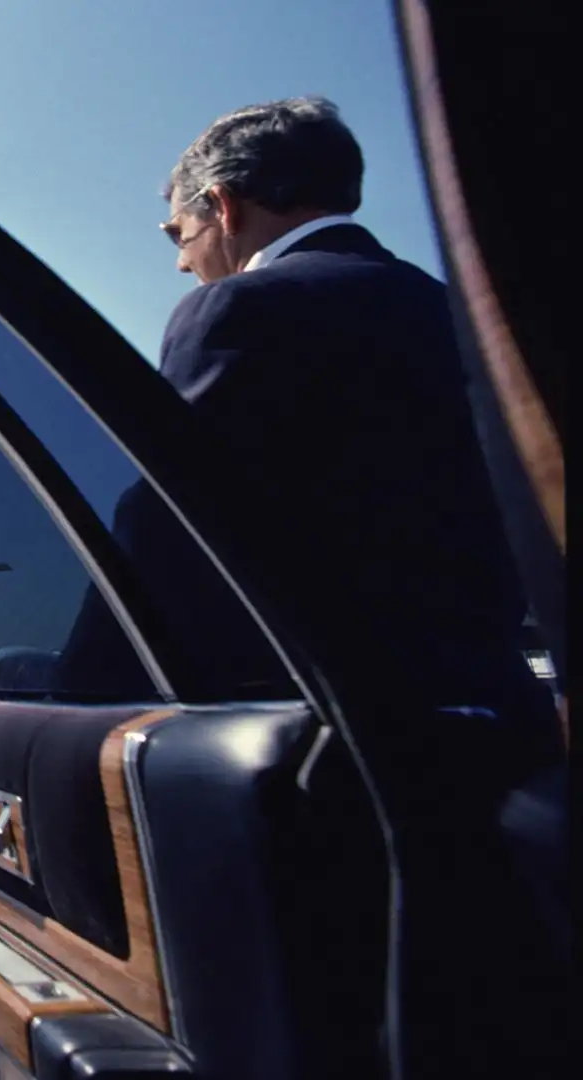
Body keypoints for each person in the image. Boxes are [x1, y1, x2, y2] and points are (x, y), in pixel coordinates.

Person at [153, 96, 558, 759]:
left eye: (177, 233)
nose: (179, 262)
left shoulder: (235, 311)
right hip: (509, 719)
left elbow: (167, 530)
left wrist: (68, 686)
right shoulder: (466, 316)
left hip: (336, 749)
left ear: (223, 205)